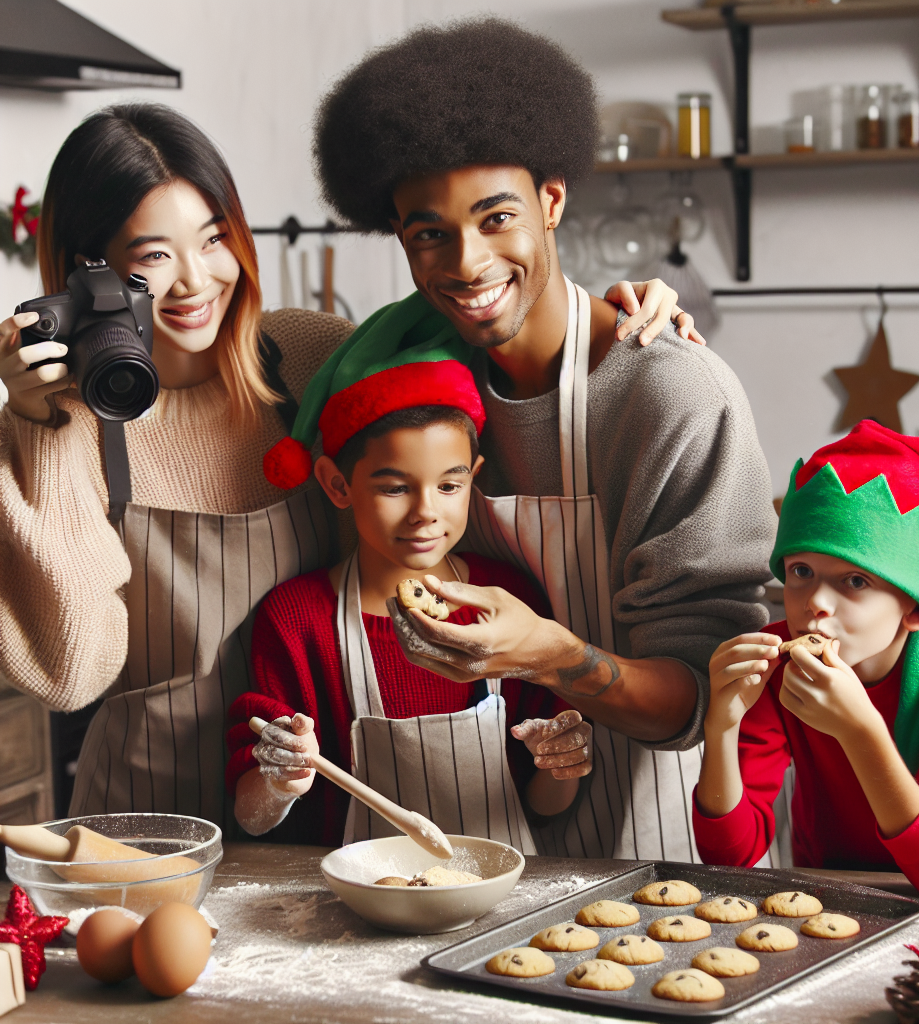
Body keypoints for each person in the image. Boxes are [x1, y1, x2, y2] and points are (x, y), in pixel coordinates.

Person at [0, 100, 683, 825]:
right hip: (149, 822)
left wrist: (612, 322)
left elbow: (487, 332)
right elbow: (72, 677)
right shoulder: (64, 427)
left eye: (213, 239)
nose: (198, 281)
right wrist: (41, 425)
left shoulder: (308, 356)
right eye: (154, 257)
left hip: (316, 821)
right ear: (91, 272)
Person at [280, 19, 777, 861]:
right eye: (429, 232)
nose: (468, 263)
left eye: (496, 216)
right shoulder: (413, 377)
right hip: (479, 860)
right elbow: (247, 346)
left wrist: (548, 653)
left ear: (552, 200)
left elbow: (700, 696)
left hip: (658, 851)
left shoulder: (673, 394)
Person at [228, 294, 592, 849]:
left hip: (501, 895)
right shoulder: (297, 619)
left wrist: (558, 761)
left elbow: (543, 809)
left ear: (474, 476)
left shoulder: (509, 601)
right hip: (357, 902)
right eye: (395, 487)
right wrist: (281, 778)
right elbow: (251, 816)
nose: (427, 512)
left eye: (449, 485)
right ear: (336, 484)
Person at [693, 420, 919, 897]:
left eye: (855, 580)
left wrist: (859, 730)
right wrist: (720, 728)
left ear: (918, 608)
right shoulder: (774, 662)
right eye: (801, 570)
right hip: (828, 897)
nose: (815, 600)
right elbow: (730, 855)